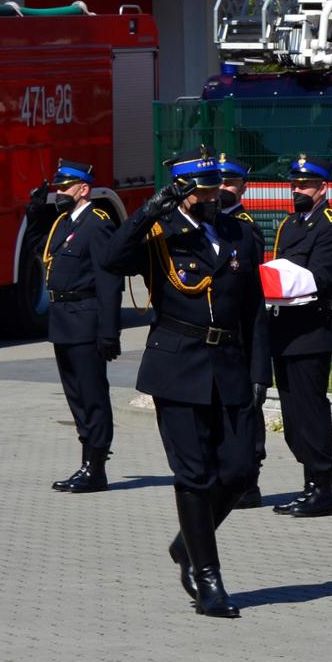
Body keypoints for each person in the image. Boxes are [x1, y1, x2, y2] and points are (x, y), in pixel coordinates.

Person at [102, 149, 266, 619]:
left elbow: (255, 309)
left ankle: (187, 541)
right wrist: (152, 208)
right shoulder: (160, 234)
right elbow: (113, 259)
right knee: (194, 475)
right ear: (186, 194)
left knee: (238, 470)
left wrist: (260, 372)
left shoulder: (241, 233)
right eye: (207, 189)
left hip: (230, 363)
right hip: (177, 367)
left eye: (219, 187)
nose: (218, 195)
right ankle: (208, 577)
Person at [267, 155, 332, 518]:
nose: (296, 189)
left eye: (304, 185)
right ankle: (309, 486)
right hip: (283, 332)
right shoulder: (289, 224)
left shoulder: (330, 226)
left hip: (310, 331)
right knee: (293, 419)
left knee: (310, 413)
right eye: (294, 184)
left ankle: (322, 488)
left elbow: (321, 279)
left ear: (322, 188)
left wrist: (274, 282)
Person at [35, 159, 123, 493]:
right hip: (63, 319)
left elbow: (108, 280)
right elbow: (37, 251)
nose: (59, 192)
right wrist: (32, 213)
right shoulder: (62, 222)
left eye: (65, 187)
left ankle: (95, 466)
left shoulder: (98, 224)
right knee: (75, 395)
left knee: (92, 394)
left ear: (83, 189)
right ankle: (86, 459)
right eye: (57, 187)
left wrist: (108, 331)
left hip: (86, 319)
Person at [218, 152, 269, 509]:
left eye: (229, 182)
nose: (222, 188)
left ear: (242, 187)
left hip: (240, 329)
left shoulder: (246, 226)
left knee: (246, 407)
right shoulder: (209, 224)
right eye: (218, 182)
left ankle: (249, 481)